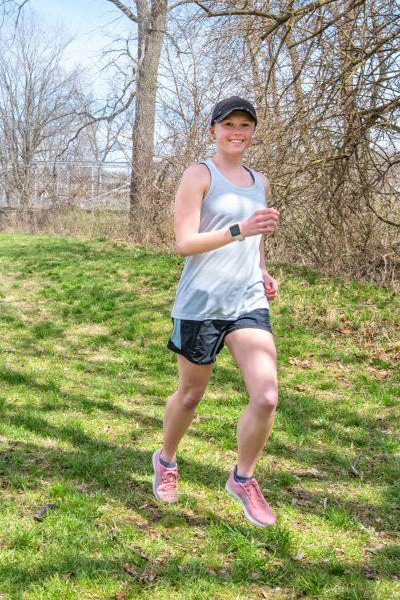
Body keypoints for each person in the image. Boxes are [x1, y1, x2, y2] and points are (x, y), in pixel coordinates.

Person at [151, 96, 281, 527]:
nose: (237, 132)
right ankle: (166, 459)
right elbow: (184, 243)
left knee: (266, 396)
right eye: (228, 125)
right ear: (213, 131)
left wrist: (262, 271)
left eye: (245, 125)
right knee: (190, 396)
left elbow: (257, 238)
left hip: (246, 301)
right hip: (202, 302)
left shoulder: (259, 180)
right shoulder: (198, 175)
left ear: (252, 132)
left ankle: (243, 478)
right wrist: (238, 230)